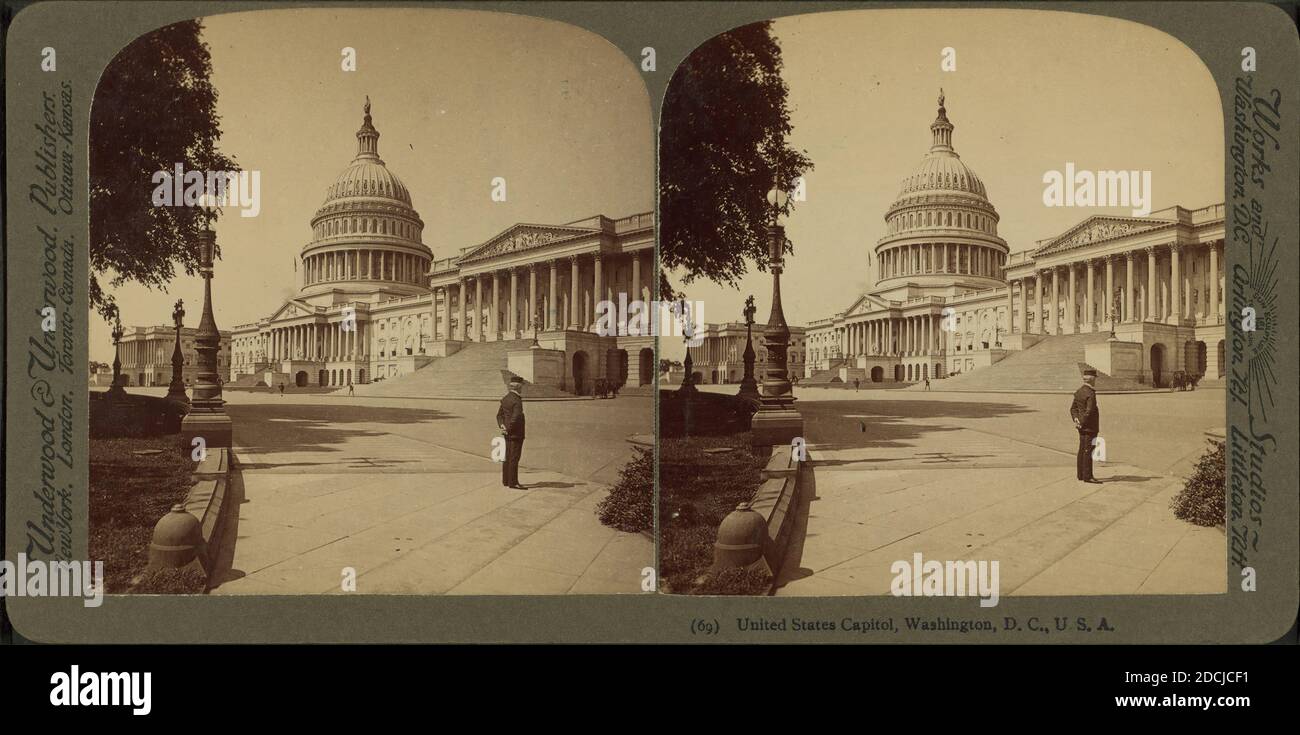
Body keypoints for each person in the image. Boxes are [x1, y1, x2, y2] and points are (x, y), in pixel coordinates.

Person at [1070, 368, 1102, 484]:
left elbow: (1073, 408)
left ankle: (1080, 474)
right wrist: (1082, 422)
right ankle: (1088, 476)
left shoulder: (1079, 391)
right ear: (1092, 380)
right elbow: (1090, 411)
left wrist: (1077, 420)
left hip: (1081, 427)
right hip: (1090, 427)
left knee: (1082, 449)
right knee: (1088, 450)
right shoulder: (1090, 393)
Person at [497, 376, 526, 489]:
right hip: (515, 433)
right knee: (514, 457)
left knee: (507, 456)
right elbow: (516, 417)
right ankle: (513, 482)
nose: (522, 388)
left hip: (506, 433)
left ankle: (506, 480)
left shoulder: (505, 398)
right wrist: (508, 428)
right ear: (518, 387)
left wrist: (502, 426)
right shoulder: (517, 400)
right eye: (521, 386)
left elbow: (499, 415)